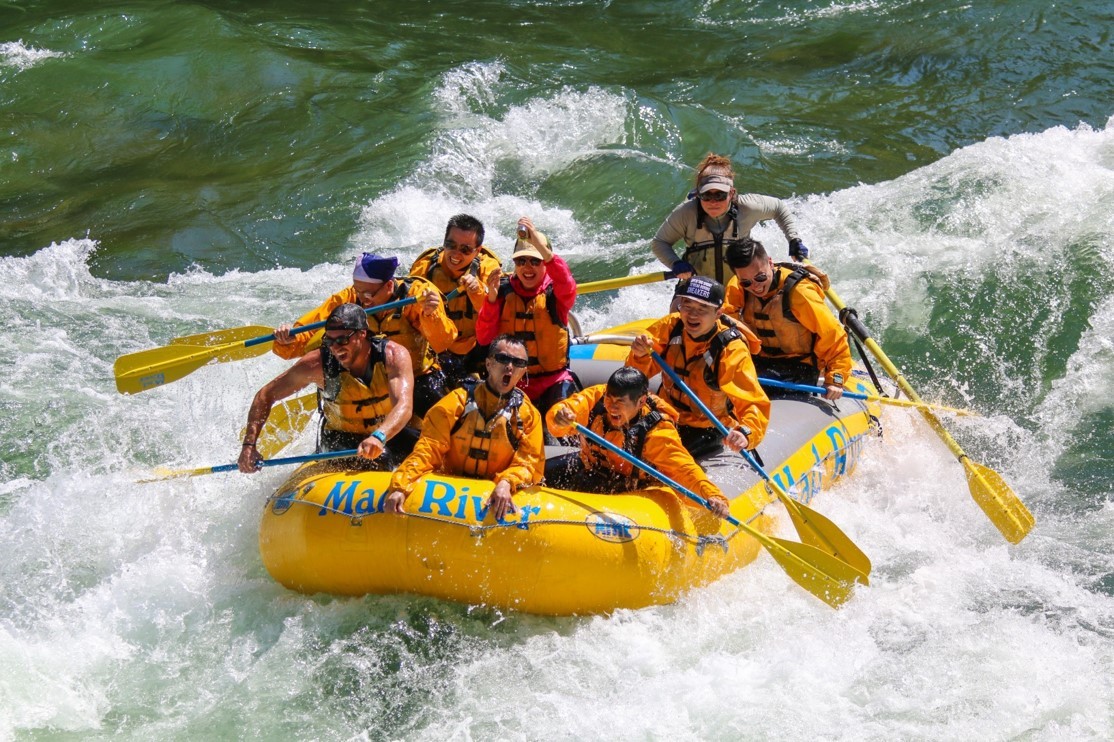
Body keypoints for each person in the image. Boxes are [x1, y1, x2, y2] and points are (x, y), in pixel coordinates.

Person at [272, 253, 458, 419]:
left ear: (389, 285)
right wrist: (288, 339)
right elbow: (305, 335)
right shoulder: (349, 298)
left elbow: (443, 342)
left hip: (417, 377)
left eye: (369, 294)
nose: (363, 300)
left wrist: (429, 315)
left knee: (439, 414)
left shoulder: (418, 295)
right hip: (366, 383)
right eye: (358, 291)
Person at [238, 304, 415, 473]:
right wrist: (249, 446)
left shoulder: (393, 356)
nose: (336, 348)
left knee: (430, 448)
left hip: (385, 433)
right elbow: (265, 395)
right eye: (329, 340)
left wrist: (379, 436)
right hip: (340, 439)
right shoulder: (316, 364)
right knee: (379, 460)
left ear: (362, 334)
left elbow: (403, 405)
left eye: (342, 339)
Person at [384, 335, 544, 521]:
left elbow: (530, 463)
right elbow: (428, 449)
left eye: (518, 362)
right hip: (451, 487)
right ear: (488, 364)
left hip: (496, 487)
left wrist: (507, 482)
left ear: (524, 370)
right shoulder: (456, 402)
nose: (510, 366)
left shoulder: (528, 415)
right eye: (503, 359)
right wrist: (401, 486)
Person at [545, 367, 731, 519]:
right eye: (609, 398)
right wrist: (559, 416)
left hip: (633, 488)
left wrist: (712, 495)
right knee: (541, 477)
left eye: (620, 402)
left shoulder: (656, 432)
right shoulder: (596, 398)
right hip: (591, 470)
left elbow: (684, 469)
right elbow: (567, 410)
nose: (611, 406)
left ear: (641, 402)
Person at [626, 276, 770, 460]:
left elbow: (752, 401)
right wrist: (639, 355)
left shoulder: (731, 349)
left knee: (655, 458)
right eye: (687, 306)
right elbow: (633, 377)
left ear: (718, 313)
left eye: (702, 309)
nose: (692, 315)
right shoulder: (670, 327)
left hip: (707, 428)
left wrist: (745, 433)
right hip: (664, 414)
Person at [475, 217, 578, 424]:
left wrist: (546, 252)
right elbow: (484, 338)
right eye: (521, 261)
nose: (527, 267)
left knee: (564, 424)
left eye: (535, 261)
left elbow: (566, 282)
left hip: (553, 381)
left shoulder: (555, 294)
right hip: (512, 380)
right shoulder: (503, 292)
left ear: (546, 264)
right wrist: (491, 300)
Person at [723, 238, 852, 400]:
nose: (755, 286)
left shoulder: (800, 293)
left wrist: (836, 380)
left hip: (799, 366)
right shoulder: (738, 286)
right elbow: (725, 325)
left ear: (770, 263)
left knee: (759, 387)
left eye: (760, 278)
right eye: (747, 282)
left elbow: (834, 337)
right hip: (759, 360)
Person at [650, 152, 807, 285]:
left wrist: (794, 240)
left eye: (719, 195)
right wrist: (675, 263)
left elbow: (779, 207)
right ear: (698, 194)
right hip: (700, 288)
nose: (713, 202)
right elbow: (660, 243)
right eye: (706, 195)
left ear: (731, 194)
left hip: (741, 287)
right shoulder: (685, 213)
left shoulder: (748, 206)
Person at [408, 214, 502, 389]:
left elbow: (497, 315)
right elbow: (409, 315)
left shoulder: (488, 269)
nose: (456, 254)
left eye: (465, 249)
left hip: (478, 346)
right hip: (438, 349)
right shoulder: (425, 268)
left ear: (478, 250)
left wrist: (477, 291)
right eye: (451, 245)